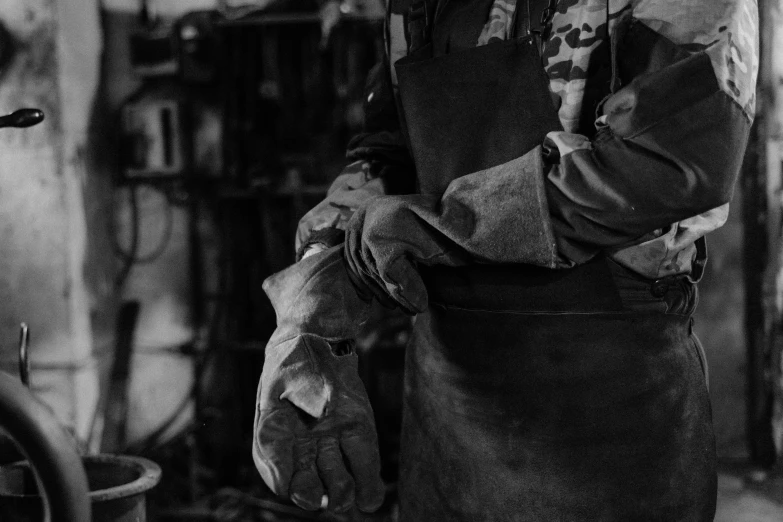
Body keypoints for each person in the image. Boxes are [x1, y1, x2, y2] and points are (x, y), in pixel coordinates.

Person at [253, 0, 759, 520]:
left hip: (609, 399)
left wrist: (419, 229)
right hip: (447, 403)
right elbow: (390, 150)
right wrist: (311, 299)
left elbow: (670, 164)